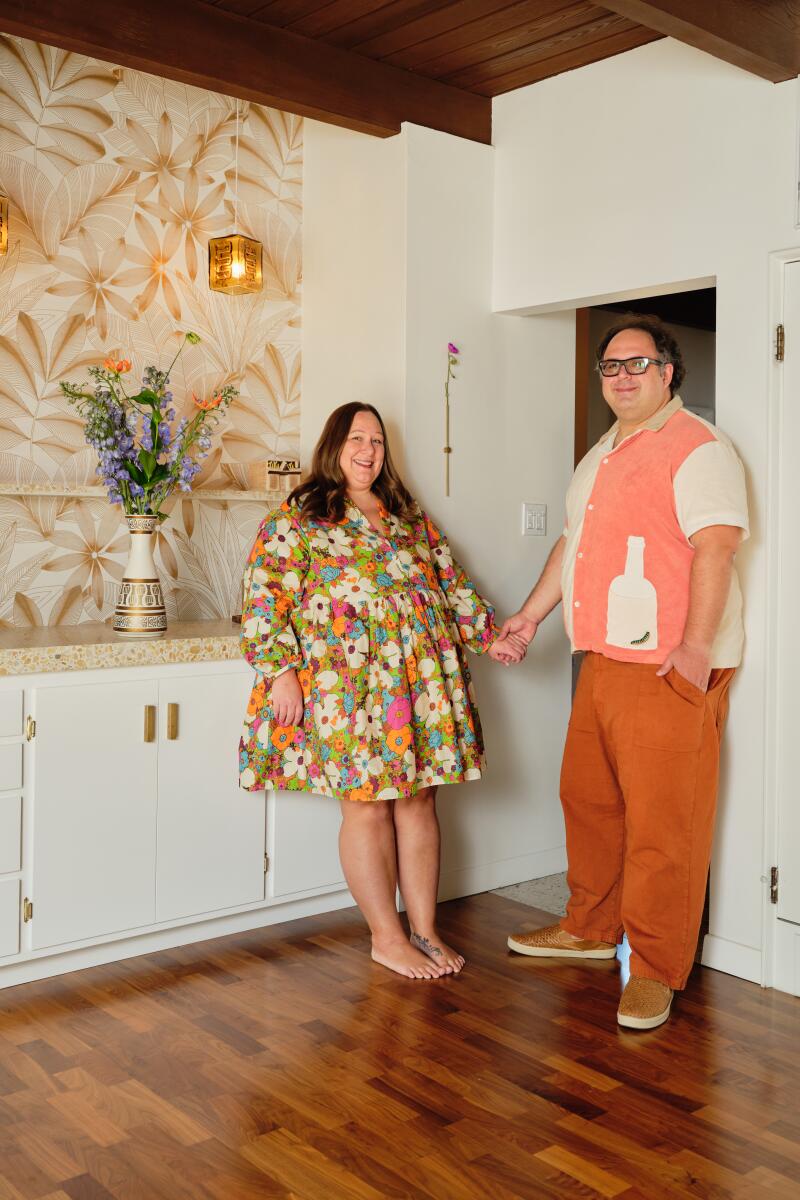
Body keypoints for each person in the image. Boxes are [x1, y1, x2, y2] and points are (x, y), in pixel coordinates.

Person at [498, 315, 748, 1030]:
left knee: (664, 825)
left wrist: (695, 648)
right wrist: (530, 616)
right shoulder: (603, 453)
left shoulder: (696, 447)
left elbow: (717, 547)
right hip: (603, 658)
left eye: (637, 363)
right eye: (610, 367)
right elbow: (574, 547)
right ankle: (590, 926)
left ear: (669, 372)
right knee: (591, 803)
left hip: (668, 665)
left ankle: (659, 968)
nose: (623, 377)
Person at [239, 402, 522, 981]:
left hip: (420, 681)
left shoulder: (407, 515)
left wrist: (491, 637)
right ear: (333, 446)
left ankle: (424, 930)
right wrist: (281, 672)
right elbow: (264, 600)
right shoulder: (299, 517)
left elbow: (450, 581)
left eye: (377, 440)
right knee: (366, 806)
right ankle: (385, 937)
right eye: (355, 439)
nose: (368, 450)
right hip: (349, 686)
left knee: (420, 800)